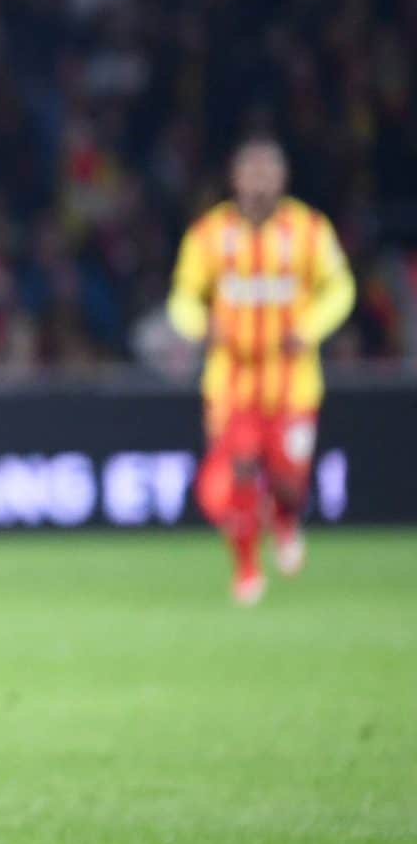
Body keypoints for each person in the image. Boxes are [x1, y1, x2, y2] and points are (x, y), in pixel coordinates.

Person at [165, 136, 354, 604]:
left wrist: (309, 328)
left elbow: (340, 288)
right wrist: (199, 325)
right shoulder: (209, 235)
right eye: (251, 172)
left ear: (282, 178)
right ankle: (247, 570)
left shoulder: (309, 230)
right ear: (235, 178)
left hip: (294, 386)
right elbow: (183, 298)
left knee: (290, 480)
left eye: (268, 172)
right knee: (241, 473)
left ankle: (286, 520)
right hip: (232, 384)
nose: (259, 181)